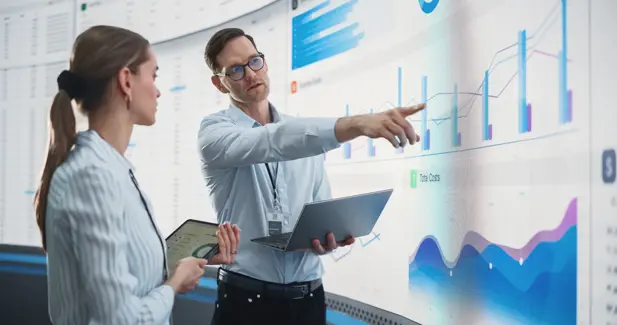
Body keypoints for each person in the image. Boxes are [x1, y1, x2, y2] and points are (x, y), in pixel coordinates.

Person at [198, 28, 424, 325]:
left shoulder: (305, 136)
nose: (251, 75)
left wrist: (326, 237)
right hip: (245, 301)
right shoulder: (215, 132)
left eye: (255, 62)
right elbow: (270, 141)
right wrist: (356, 124)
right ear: (219, 83)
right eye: (236, 70)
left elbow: (319, 205)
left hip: (308, 299)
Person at [32, 25, 240, 325]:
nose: (157, 90)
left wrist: (184, 262)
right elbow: (120, 318)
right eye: (153, 75)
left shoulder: (109, 169)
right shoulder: (92, 177)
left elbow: (125, 272)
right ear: (126, 81)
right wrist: (174, 285)